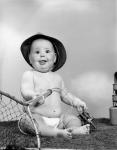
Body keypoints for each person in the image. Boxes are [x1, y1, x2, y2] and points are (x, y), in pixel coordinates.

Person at [20, 33, 90, 139]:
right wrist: (33, 95)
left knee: (72, 119)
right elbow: (25, 90)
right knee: (27, 121)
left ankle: (73, 129)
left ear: (55, 58)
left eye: (47, 51)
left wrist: (77, 102)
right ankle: (56, 133)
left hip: (58, 119)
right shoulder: (29, 75)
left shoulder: (57, 78)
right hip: (37, 117)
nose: (42, 55)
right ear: (30, 58)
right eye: (37, 52)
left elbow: (65, 95)